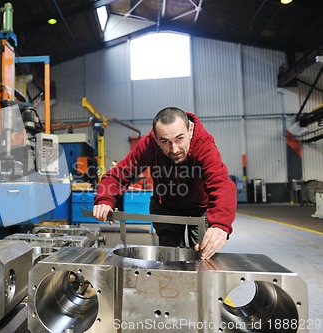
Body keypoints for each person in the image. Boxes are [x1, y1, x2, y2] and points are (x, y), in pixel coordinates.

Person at [93, 107, 237, 260]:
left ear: (190, 129)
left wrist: (220, 225)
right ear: (155, 138)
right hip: (166, 207)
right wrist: (105, 199)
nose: (174, 149)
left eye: (179, 139)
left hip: (200, 208)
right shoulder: (148, 145)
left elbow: (221, 184)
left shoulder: (203, 145)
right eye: (165, 142)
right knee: (169, 259)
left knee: (203, 255)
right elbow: (118, 175)